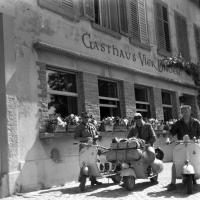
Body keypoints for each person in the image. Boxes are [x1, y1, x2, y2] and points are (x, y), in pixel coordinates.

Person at [167, 105, 200, 191]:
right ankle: (172, 183)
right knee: (175, 162)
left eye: (186, 111)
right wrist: (168, 139)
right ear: (181, 112)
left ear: (190, 111)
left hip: (194, 145)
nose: (185, 113)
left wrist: (197, 138)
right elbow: (171, 133)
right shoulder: (178, 123)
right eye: (183, 111)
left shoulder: (196, 122)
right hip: (181, 145)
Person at [74, 111, 102, 186]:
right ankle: (82, 180)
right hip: (84, 148)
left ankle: (94, 180)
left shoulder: (92, 126)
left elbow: (97, 134)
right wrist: (85, 138)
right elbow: (76, 137)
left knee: (94, 162)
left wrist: (97, 136)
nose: (86, 119)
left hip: (93, 147)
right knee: (84, 164)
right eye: (85, 117)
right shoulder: (79, 127)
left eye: (87, 117)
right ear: (82, 118)